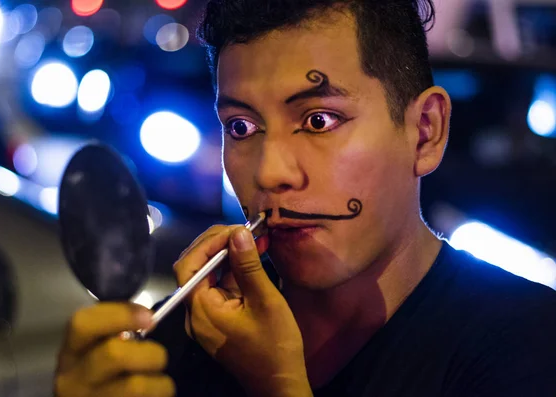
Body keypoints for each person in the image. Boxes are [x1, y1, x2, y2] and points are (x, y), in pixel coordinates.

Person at [54, 1, 556, 396]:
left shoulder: (525, 344)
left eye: (319, 120)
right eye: (242, 126)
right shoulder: (182, 343)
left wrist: (278, 386)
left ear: (424, 132)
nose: (270, 172)